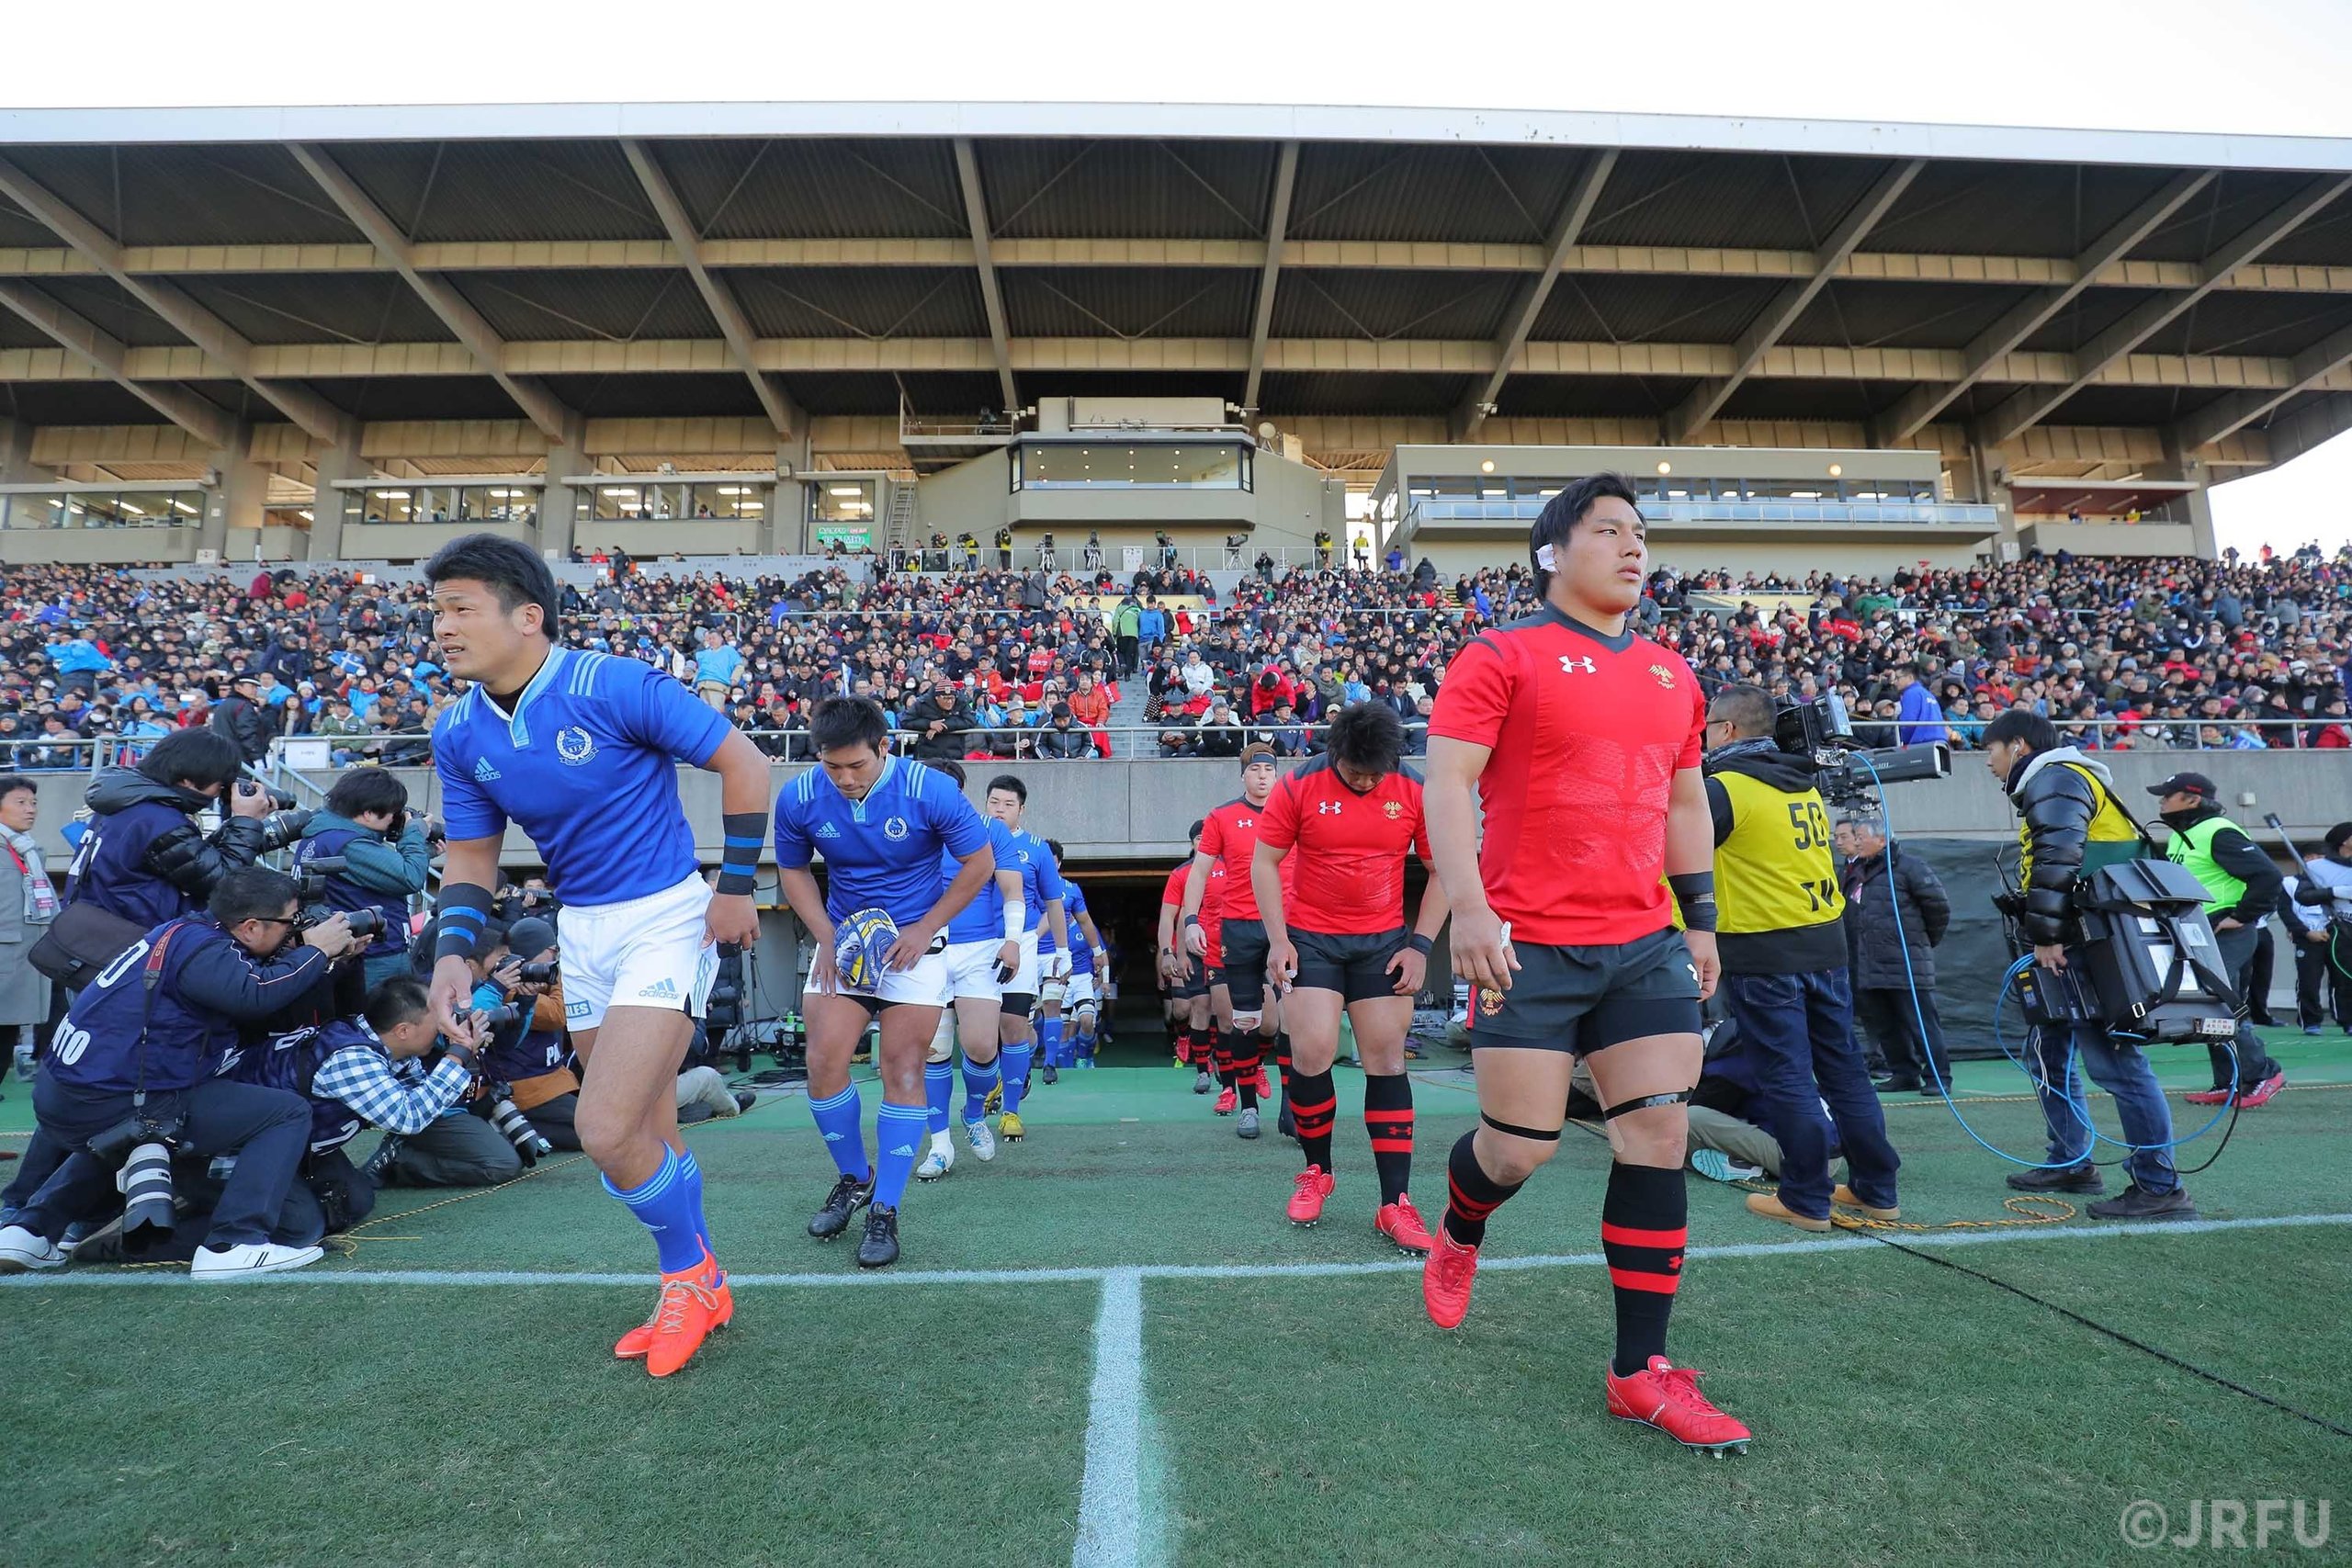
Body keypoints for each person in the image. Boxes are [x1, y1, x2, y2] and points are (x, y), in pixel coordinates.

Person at [1419, 472, 1750, 1452]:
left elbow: (1686, 803)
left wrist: (1701, 922)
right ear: (1552, 554)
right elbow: (1445, 784)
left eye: (1640, 532)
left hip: (1645, 943)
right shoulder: (1498, 655)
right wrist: (1468, 912)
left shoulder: (1672, 673)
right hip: (1525, 942)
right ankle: (1461, 1222)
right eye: (1608, 530)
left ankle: (1637, 1372)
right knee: (1519, 1149)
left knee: (1655, 1137)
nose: (1632, 547)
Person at [422, 533, 771, 1378]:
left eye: (461, 609)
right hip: (581, 931)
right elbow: (472, 858)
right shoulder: (460, 731)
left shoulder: (611, 683)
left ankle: (695, 1276)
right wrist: (450, 955)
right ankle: (693, 1281)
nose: (442, 628)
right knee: (644, 1128)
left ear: (528, 615)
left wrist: (734, 886)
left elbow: (746, 763)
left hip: (664, 916)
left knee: (603, 1129)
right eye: (436, 612)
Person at [0, 866, 360, 1277]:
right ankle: (234, 1242)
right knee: (285, 1112)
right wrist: (314, 952)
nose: (297, 929)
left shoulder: (180, 932)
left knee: (122, 1135)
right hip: (116, 1098)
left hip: (71, 1095)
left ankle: (27, 1230)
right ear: (250, 926)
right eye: (290, 922)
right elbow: (254, 996)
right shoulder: (206, 952)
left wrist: (317, 958)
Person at [774, 697, 996, 1269]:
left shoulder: (931, 790)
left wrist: (925, 929)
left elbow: (979, 864)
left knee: (902, 1069)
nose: (844, 779)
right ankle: (854, 1179)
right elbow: (793, 870)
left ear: (884, 748)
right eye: (832, 767)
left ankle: (885, 1211)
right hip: (844, 946)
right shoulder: (798, 797)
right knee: (823, 1062)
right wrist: (826, 935)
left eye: (857, 767)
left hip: (914, 950)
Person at [1701, 684, 1900, 1234]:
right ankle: (1876, 1188)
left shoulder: (1727, 789)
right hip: (1824, 944)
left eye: (1710, 724)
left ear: (1728, 730)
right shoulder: (1803, 784)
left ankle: (1806, 1197)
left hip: (1767, 951)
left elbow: (1680, 860)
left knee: (1786, 1077)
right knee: (1844, 1072)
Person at [1254, 702, 1449, 1251]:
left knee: (1386, 1060)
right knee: (1312, 1052)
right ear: (1335, 754)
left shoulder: (1413, 789)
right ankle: (1318, 1171)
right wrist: (1279, 939)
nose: (1366, 781)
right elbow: (1264, 862)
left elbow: (1442, 872)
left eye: (1375, 772)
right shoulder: (1298, 785)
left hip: (1383, 943)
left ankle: (1395, 1203)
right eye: (1356, 771)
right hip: (1312, 938)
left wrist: (1420, 946)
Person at [1984, 709, 2195, 1219]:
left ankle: (2159, 1187)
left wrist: (2048, 935)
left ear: (2016, 745)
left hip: (2084, 944)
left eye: (1989, 751)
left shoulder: (2057, 777)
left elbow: (2058, 857)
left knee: (2115, 1064)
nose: (1988, 764)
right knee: (2048, 1054)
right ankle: (2072, 1161)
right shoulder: (2060, 779)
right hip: (2078, 938)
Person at [911, 759, 1023, 1183]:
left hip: (980, 950)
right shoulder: (911, 832)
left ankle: (973, 1113)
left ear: (958, 794)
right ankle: (940, 1145)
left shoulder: (990, 829)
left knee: (980, 1047)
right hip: (926, 950)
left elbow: (1012, 887)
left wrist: (1012, 940)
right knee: (934, 1050)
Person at [2148, 772, 2288, 1109]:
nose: (2161, 801)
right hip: (2203, 930)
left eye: (2168, 795)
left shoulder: (2217, 831)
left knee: (2219, 1003)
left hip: (2227, 931)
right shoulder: (2189, 834)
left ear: (2193, 799)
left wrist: (2241, 916)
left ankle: (2261, 1074)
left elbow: (2269, 876)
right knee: (2212, 1005)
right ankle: (2229, 1082)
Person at [1181, 743, 1293, 1139]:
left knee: (1291, 1020)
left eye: (1269, 769)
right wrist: (1191, 920)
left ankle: (1293, 1108)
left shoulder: (1294, 809)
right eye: (1255, 769)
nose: (1263, 775)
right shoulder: (1222, 816)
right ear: (1243, 775)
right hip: (1240, 927)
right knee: (1244, 1021)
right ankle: (1248, 1106)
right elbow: (1198, 873)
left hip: (1289, 926)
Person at [64, 728, 273, 938]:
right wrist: (246, 821)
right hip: (134, 941)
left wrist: (244, 826)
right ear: (188, 778)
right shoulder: (158, 819)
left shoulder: (127, 801)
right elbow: (224, 884)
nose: (219, 793)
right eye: (220, 785)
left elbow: (193, 861)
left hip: (97, 929)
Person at [1835, 814, 1953, 1094]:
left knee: (1920, 1022)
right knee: (1885, 1023)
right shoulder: (1856, 873)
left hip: (1906, 962)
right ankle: (1904, 1072)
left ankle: (1939, 1077)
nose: (1858, 842)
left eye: (1861, 837)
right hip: (1868, 963)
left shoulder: (1909, 867)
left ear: (1881, 838)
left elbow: (1938, 908)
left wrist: (1921, 943)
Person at [980, 774, 1070, 1138]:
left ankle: (1011, 1111)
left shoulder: (1036, 849)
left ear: (1022, 809)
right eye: (993, 803)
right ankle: (993, 1084)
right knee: (980, 1032)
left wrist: (1062, 952)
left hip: (1020, 945)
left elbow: (1053, 902)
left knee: (1013, 1026)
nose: (999, 810)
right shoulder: (968, 840)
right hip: (972, 946)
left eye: (1007, 805)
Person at [294, 769, 434, 991]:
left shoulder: (324, 835)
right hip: (373, 957)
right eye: (392, 813)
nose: (393, 820)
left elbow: (377, 876)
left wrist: (422, 851)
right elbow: (410, 877)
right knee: (387, 1023)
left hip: (362, 954)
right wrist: (415, 835)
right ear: (368, 813)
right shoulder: (348, 844)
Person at [1159, 820, 1223, 1094]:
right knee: (1197, 1007)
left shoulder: (1233, 866)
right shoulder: (1182, 874)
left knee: (1224, 1012)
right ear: (1192, 842)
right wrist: (1168, 953)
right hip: (1196, 950)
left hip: (1230, 949)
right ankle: (1202, 1069)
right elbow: (1169, 917)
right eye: (1198, 837)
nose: (1203, 841)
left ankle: (1225, 1061)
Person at [0, 775, 56, 1083]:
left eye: (33, 803)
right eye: (20, 802)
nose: (30, 809)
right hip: (6, 961)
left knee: (6, 1036)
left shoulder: (26, 850)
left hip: (22, 961)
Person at [2286, 821, 2352, 1033]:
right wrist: (2336, 892)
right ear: (2344, 841)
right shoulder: (2318, 868)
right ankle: (2345, 1020)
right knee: (2343, 978)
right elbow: (2303, 896)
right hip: (2341, 928)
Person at [209, 671, 276, 765]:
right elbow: (247, 733)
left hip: (225, 756)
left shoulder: (224, 705)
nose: (255, 690)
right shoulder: (243, 706)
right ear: (238, 688)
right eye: (251, 687)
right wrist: (256, 757)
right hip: (242, 758)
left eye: (256, 687)